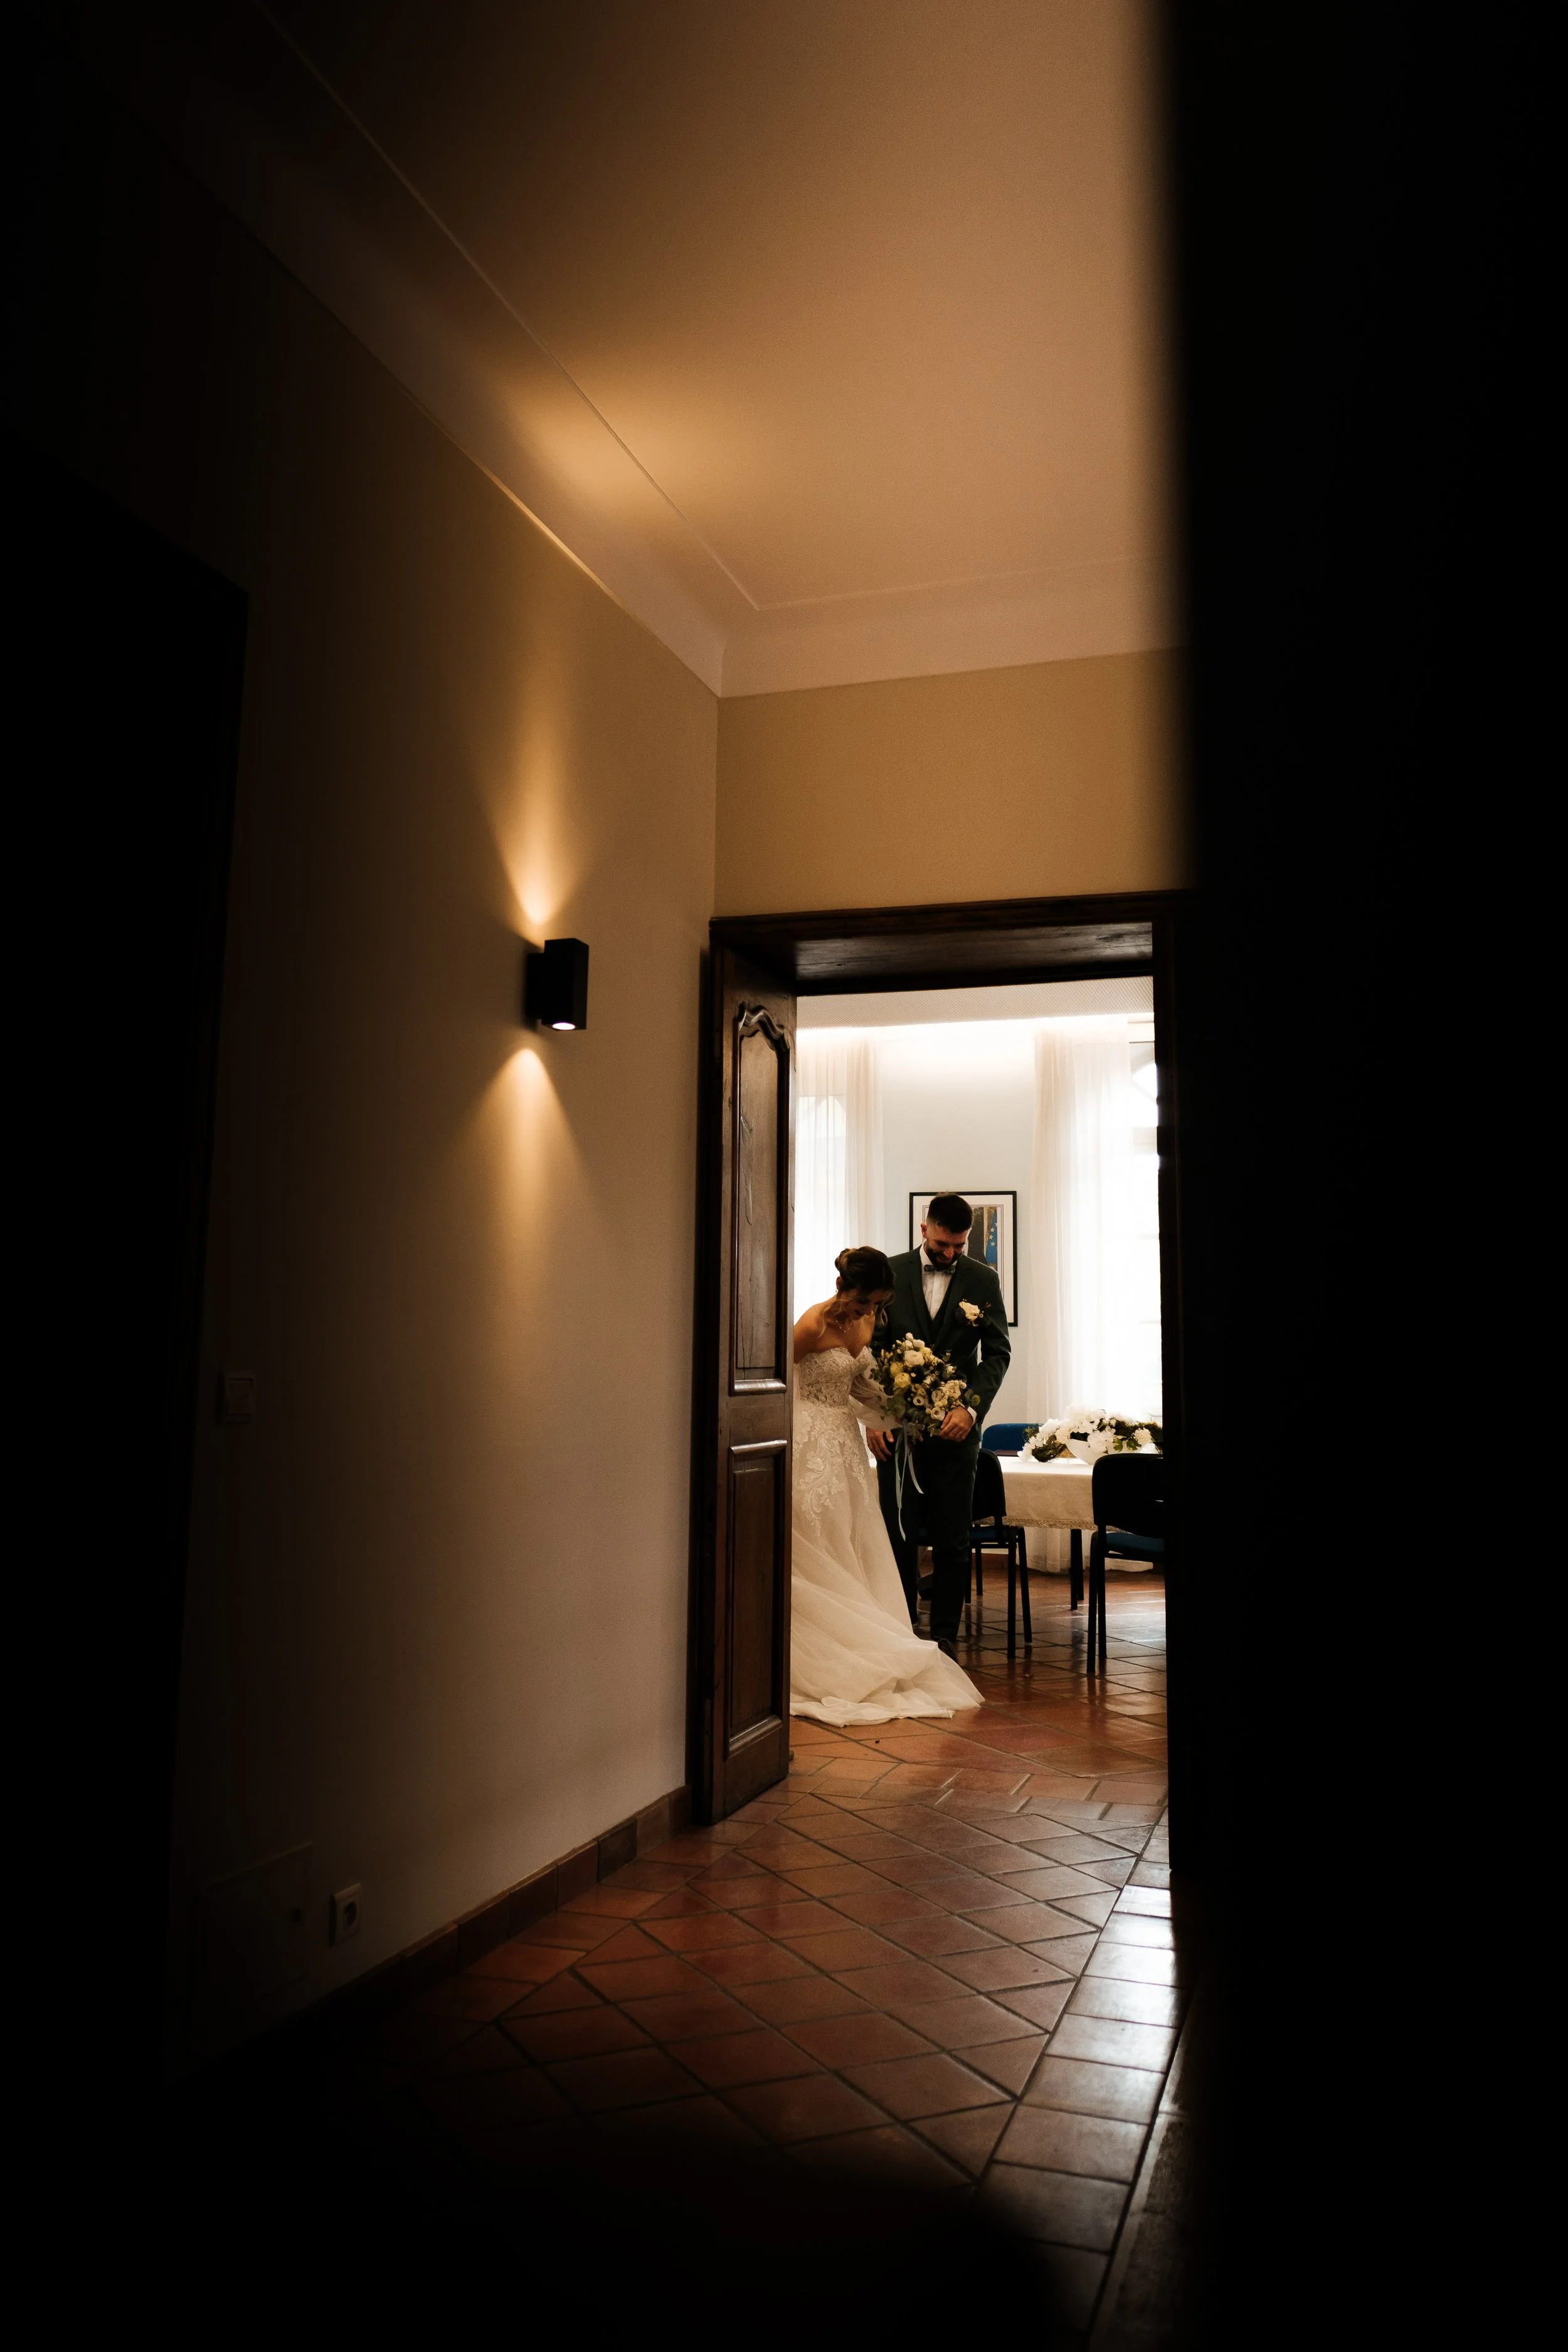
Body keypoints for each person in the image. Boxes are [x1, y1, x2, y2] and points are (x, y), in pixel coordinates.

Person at [790, 1246, 981, 1725]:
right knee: (815, 1539)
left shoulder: (868, 1323)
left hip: (846, 1447)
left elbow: (859, 1391)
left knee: (849, 1539)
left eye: (875, 1306)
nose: (868, 1314)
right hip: (808, 1440)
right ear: (841, 1289)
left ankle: (858, 1632)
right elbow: (780, 1383)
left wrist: (910, 1409)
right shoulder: (811, 1325)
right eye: (862, 1305)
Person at [867, 1195, 1012, 1654]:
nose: (951, 1254)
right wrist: (874, 1418)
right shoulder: (890, 1273)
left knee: (953, 1538)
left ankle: (946, 1636)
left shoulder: (983, 1279)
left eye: (959, 1246)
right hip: (898, 1432)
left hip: (956, 1432)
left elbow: (998, 1353)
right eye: (944, 1244)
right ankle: (901, 1631)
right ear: (924, 1227)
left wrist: (970, 1411)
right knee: (898, 1534)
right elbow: (869, 1349)